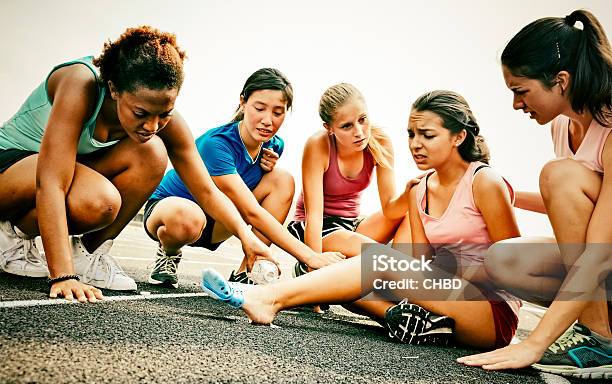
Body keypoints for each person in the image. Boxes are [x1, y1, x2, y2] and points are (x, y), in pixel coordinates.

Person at [202, 90, 523, 350]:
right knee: (351, 283)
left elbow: (515, 270)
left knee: (375, 264)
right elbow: (416, 263)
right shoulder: (422, 188)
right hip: (448, 301)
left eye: (427, 135)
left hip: (489, 313)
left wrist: (441, 269)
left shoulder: (484, 182)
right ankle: (407, 322)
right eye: (411, 134)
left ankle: (268, 299)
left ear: (458, 137)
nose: (415, 144)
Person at [0, 26, 275, 302]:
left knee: (153, 151)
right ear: (114, 89)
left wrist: (246, 239)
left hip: (52, 174)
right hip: (8, 168)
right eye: (141, 113)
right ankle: (9, 236)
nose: (152, 125)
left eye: (164, 113)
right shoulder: (79, 83)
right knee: (98, 200)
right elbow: (51, 182)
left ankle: (87, 255)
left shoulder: (158, 121)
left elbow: (207, 190)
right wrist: (63, 276)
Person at [457, 9, 612, 379]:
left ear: (560, 81)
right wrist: (499, 193)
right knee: (504, 260)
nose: (516, 105)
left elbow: (598, 252)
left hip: (603, 257)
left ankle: (599, 339)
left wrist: (534, 342)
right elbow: (579, 206)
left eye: (520, 91)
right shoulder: (563, 125)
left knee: (558, 175)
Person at [143, 68, 344, 288]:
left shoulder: (274, 145)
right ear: (243, 102)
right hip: (172, 214)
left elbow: (255, 200)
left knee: (282, 180)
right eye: (259, 108)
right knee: (187, 218)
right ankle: (169, 253)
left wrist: (263, 169)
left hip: (219, 221)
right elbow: (251, 211)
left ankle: (246, 270)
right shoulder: (217, 144)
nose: (268, 120)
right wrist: (309, 257)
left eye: (278, 112)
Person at [288, 83, 412, 278]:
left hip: (353, 224)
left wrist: (409, 194)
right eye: (347, 126)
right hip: (319, 228)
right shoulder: (318, 145)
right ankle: (306, 269)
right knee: (383, 257)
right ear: (329, 128)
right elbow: (314, 216)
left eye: (362, 120)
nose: (359, 132)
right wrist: (312, 265)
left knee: (410, 215)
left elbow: (390, 209)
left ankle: (397, 287)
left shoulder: (381, 142)